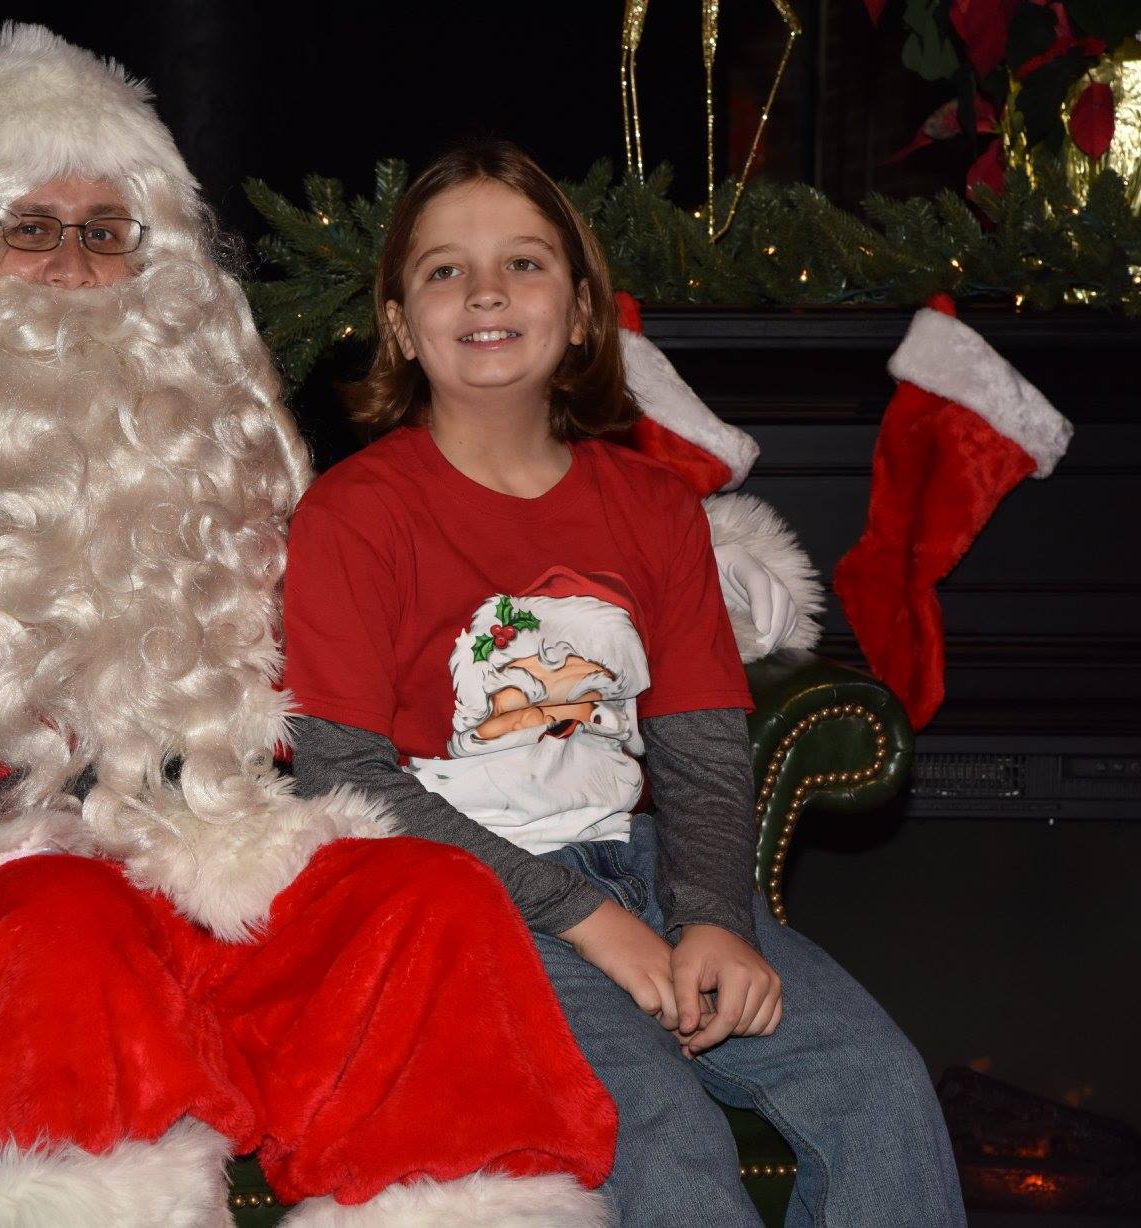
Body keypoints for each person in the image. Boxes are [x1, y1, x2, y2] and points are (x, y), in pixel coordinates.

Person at [0, 24, 615, 1227]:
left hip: (225, 839)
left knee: (424, 903)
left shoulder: (221, 444)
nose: (74, 269)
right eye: (29, 229)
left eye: (107, 231)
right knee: (57, 931)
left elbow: (449, 572)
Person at [281, 138, 966, 1226]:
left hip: (646, 871)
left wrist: (713, 917)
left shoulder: (649, 507)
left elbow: (698, 746)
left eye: (524, 262)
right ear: (402, 326)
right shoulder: (354, 516)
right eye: (444, 269)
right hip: (473, 905)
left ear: (584, 311)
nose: (486, 291)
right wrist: (585, 923)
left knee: (877, 1084)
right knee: (659, 1135)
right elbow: (344, 781)